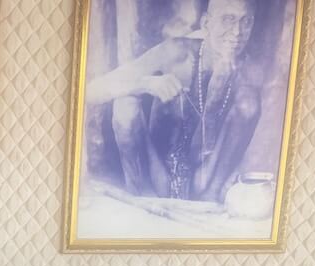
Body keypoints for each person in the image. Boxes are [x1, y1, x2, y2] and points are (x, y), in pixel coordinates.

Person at [85, 0, 261, 203]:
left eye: (246, 21)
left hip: (203, 181)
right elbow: (92, 91)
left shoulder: (249, 73)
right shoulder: (177, 52)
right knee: (125, 106)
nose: (237, 32)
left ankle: (208, 198)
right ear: (206, 23)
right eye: (228, 19)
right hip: (155, 173)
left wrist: (217, 89)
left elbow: (202, 150)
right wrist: (146, 84)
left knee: (249, 105)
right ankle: (144, 198)